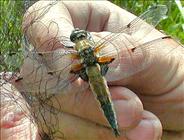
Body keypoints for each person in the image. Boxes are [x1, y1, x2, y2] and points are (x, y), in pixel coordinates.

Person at [1, 1, 184, 140]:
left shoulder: (75, 54)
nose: (81, 36)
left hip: (89, 68)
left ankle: (114, 126)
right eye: (79, 36)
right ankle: (115, 126)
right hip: (96, 66)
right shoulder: (88, 51)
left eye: (82, 35)